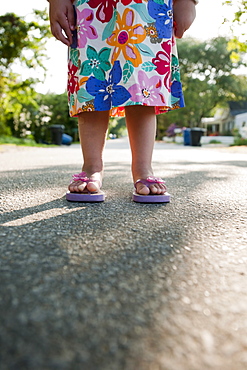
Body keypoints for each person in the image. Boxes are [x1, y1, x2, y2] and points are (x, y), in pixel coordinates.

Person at [48, 0, 197, 203]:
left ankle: (143, 168)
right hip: (91, 5)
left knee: (142, 79)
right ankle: (91, 166)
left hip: (145, 5)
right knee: (93, 76)